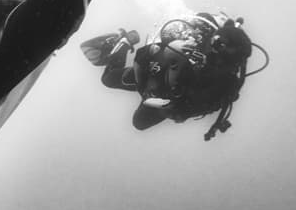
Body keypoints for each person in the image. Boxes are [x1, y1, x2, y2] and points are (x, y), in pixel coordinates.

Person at [80, 12, 266, 140]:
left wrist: (173, 109)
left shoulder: (227, 83)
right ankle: (124, 41)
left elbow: (201, 107)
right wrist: (167, 51)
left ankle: (124, 46)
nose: (216, 58)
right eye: (215, 44)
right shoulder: (190, 44)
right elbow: (143, 57)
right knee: (107, 79)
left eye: (225, 58)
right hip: (156, 76)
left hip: (166, 94)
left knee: (139, 123)